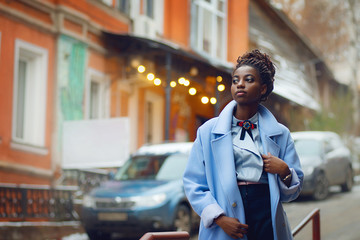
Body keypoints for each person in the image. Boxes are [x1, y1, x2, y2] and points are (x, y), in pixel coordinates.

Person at [183, 49, 303, 240]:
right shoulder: (207, 132)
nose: (240, 84)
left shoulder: (281, 133)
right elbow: (194, 184)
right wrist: (219, 218)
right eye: (236, 80)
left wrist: (284, 171)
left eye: (248, 79)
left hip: (267, 217)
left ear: (262, 88)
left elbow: (291, 193)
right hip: (226, 220)